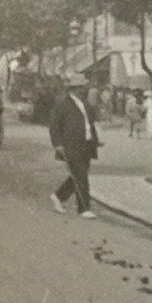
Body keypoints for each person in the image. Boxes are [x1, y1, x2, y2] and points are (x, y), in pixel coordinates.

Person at [48, 74, 100, 218]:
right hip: (71, 145)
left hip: (86, 144)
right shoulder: (63, 104)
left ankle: (58, 196)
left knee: (78, 175)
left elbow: (89, 124)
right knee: (81, 175)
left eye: (83, 87)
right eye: (80, 87)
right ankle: (84, 208)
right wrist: (57, 144)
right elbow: (54, 126)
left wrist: (95, 140)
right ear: (74, 89)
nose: (83, 90)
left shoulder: (84, 104)